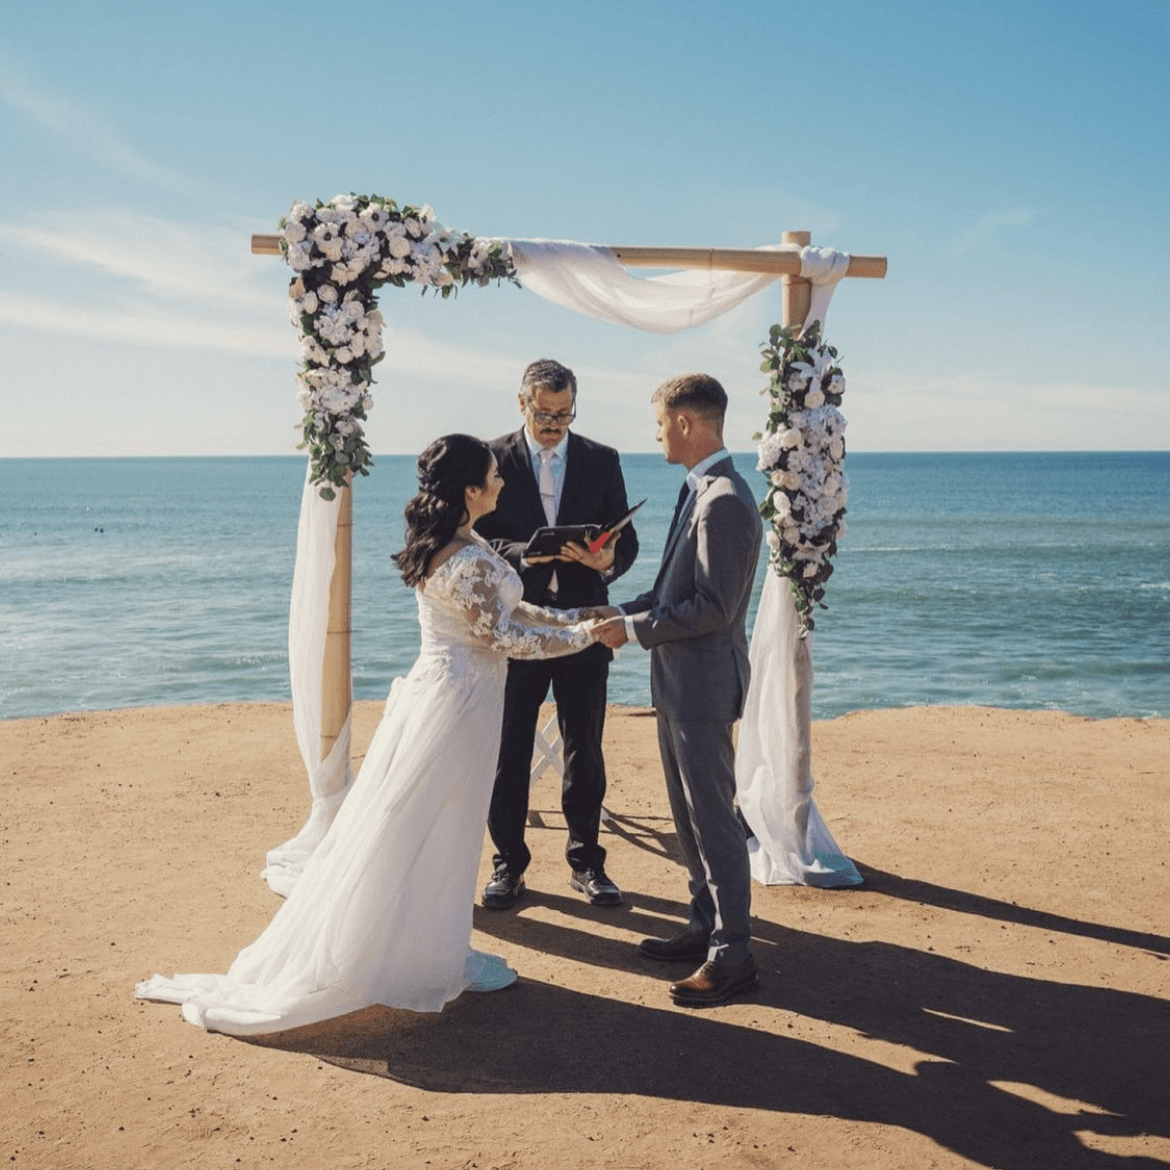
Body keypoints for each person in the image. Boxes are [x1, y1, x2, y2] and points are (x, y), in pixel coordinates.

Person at [135, 435, 599, 1035]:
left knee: (440, 824)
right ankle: (429, 955)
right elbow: (505, 638)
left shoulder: (461, 545)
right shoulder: (464, 558)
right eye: (493, 475)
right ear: (470, 491)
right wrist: (586, 635)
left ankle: (439, 942)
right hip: (457, 706)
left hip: (453, 695)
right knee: (438, 825)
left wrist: (580, 619)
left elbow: (515, 615)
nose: (502, 482)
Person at [593, 374, 763, 1007]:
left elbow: (712, 608)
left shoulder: (723, 500)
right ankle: (703, 926)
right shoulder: (700, 492)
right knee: (688, 817)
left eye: (660, 421)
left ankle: (734, 956)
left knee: (714, 819)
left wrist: (632, 630)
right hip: (678, 683)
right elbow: (672, 593)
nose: (656, 431)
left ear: (689, 424)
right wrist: (612, 613)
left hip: (705, 686)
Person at [475, 359, 638, 909]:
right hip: (515, 626)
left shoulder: (601, 460)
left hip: (583, 624)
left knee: (584, 748)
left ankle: (587, 862)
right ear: (521, 402)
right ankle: (507, 865)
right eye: (544, 413)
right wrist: (527, 552)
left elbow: (626, 540)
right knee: (509, 750)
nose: (553, 424)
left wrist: (609, 558)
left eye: (564, 414)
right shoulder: (491, 458)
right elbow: (472, 541)